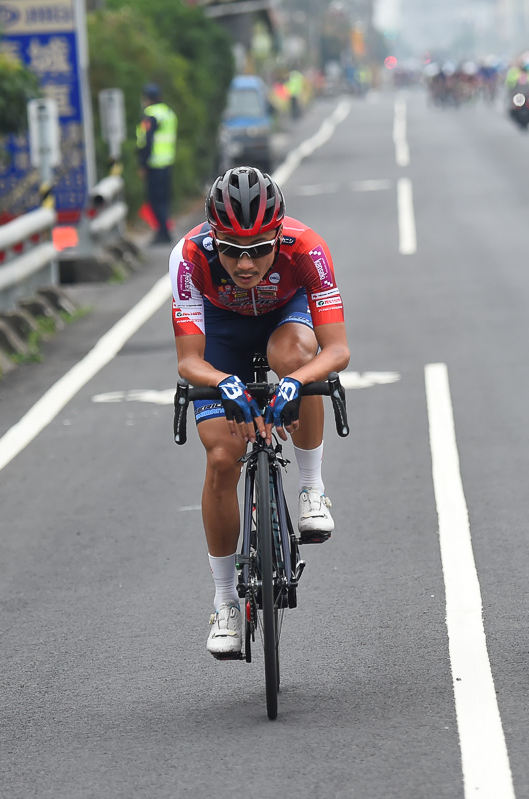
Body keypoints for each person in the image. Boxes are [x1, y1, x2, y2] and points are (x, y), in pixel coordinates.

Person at [171, 166, 351, 658]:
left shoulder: (307, 248)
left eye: (258, 251)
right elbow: (190, 360)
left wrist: (295, 382)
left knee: (298, 360)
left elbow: (336, 351)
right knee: (222, 459)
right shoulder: (189, 257)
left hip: (283, 320)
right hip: (222, 334)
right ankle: (226, 601)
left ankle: (311, 488)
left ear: (279, 235)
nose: (245, 264)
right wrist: (222, 382)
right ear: (213, 238)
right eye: (231, 250)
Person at [136, 82, 177, 244]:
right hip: (167, 162)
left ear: (148, 99)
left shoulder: (151, 114)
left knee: (155, 200)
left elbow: (147, 140)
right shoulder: (168, 113)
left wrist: (142, 163)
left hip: (154, 164)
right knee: (164, 200)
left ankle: (163, 232)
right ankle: (164, 230)